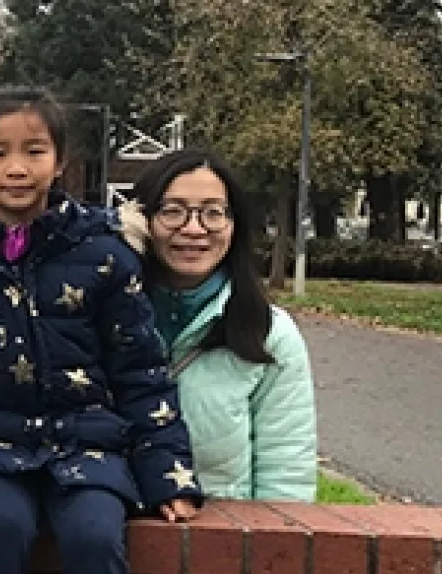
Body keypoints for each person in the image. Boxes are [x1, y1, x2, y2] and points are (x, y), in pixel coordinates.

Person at [0, 87, 203, 574]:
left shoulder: (105, 253)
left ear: (61, 160)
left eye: (35, 151)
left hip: (88, 446)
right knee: (0, 530)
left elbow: (141, 371)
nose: (17, 168)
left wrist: (167, 475)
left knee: (95, 537)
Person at [128, 149, 318, 502]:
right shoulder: (98, 320)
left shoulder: (270, 334)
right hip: (106, 539)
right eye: (173, 211)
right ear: (141, 221)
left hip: (221, 546)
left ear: (234, 226)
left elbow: (286, 475)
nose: (194, 228)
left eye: (213, 213)